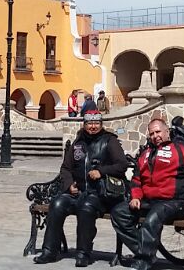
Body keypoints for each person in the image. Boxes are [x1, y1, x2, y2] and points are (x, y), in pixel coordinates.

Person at [111, 118, 184, 270]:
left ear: (167, 132)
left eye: (158, 132)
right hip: (150, 201)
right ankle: (145, 251)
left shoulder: (182, 149)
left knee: (152, 218)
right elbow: (136, 180)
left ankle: (144, 260)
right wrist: (136, 197)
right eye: (152, 133)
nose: (155, 136)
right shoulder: (145, 153)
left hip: (178, 202)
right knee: (119, 213)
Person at [33, 109, 127, 266]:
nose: (93, 126)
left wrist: (101, 171)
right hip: (78, 192)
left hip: (99, 194)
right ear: (84, 124)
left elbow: (122, 165)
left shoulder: (109, 141)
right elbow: (66, 168)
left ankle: (83, 253)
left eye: (96, 123)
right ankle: (49, 251)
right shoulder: (78, 143)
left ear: (101, 124)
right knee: (57, 204)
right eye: (89, 123)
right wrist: (69, 185)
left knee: (86, 207)